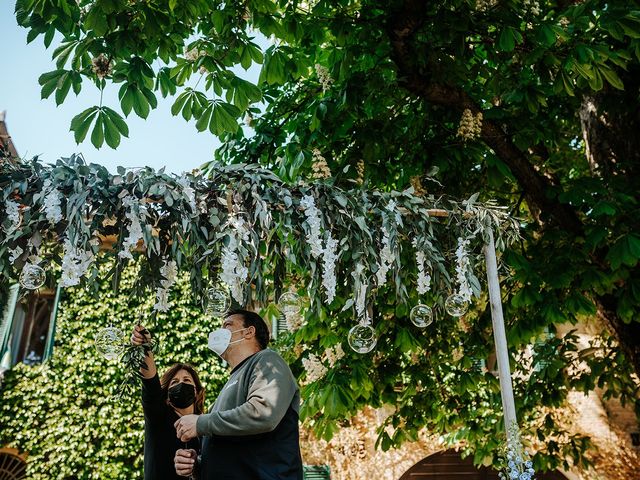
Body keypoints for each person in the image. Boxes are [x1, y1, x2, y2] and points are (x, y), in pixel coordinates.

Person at [173, 309, 303, 480]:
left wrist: (201, 422)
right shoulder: (231, 382)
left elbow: (263, 413)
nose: (219, 332)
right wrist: (197, 465)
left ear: (249, 332)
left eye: (227, 325)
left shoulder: (267, 360)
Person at [131, 325, 205, 480]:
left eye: (186, 380)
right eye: (174, 382)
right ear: (166, 395)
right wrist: (145, 346)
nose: (181, 384)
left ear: (197, 392)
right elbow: (150, 382)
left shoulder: (205, 427)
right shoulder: (158, 416)